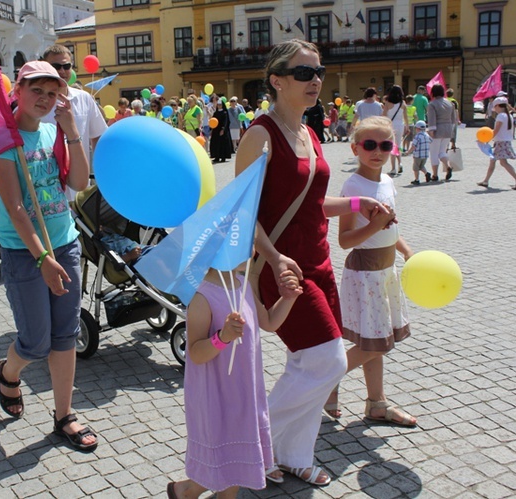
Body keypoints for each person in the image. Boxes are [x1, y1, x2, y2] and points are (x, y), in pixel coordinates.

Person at [235, 39, 392, 486]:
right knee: (327, 361)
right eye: (303, 73)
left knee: (307, 363)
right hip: (280, 268)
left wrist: (359, 202)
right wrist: (274, 255)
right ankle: (254, 442)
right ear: (277, 80)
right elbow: (242, 214)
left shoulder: (309, 133)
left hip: (318, 262)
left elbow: (312, 203)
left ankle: (293, 454)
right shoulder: (259, 134)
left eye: (319, 71)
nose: (315, 80)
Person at [0, 61, 97, 451]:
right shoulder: (1, 140)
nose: (45, 99)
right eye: (37, 90)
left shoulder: (54, 133)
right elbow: (16, 209)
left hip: (64, 244)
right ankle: (8, 370)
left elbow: (79, 183)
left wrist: (71, 134)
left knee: (65, 335)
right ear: (17, 91)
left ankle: (63, 414)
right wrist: (41, 260)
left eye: (52, 93)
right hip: (25, 253)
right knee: (34, 343)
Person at [167, 265, 303, 499]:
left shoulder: (244, 284)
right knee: (224, 458)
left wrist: (288, 298)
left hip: (245, 391)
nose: (251, 248)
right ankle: (187, 491)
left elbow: (269, 322)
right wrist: (222, 337)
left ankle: (186, 490)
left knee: (236, 465)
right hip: (216, 396)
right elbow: (197, 354)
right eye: (244, 240)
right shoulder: (202, 297)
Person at [323, 116, 416, 427]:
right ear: (355, 148)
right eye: (370, 145)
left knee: (373, 341)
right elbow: (344, 240)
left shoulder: (387, 181)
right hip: (365, 273)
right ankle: (326, 380)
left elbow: (391, 225)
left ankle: (376, 403)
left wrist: (405, 249)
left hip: (386, 271)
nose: (378, 151)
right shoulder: (353, 185)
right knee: (375, 342)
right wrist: (375, 225)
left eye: (385, 145)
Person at [42, 44, 107, 199]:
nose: (62, 71)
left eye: (66, 66)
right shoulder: (38, 103)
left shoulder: (84, 98)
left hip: (79, 189)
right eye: (56, 66)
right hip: (47, 190)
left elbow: (98, 136)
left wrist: (100, 172)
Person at [477, 96, 516, 189]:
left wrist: (486, 139)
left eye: (495, 107)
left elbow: (496, 130)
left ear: (498, 106)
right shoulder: (509, 115)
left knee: (503, 163)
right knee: (493, 161)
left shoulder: (501, 116)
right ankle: (486, 181)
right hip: (504, 141)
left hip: (501, 142)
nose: (495, 110)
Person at [427, 84, 457, 181]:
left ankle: (435, 175)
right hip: (448, 129)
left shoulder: (432, 104)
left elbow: (432, 119)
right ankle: (448, 165)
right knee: (442, 152)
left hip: (437, 130)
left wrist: (431, 130)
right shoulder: (450, 103)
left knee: (434, 153)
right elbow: (453, 119)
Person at [382, 85, 408, 175]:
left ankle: (393, 168)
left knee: (392, 146)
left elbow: (384, 115)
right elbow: (405, 116)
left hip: (391, 125)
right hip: (400, 125)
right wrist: (407, 126)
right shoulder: (403, 103)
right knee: (398, 145)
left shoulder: (388, 103)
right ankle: (400, 163)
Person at [209, 99, 232, 163]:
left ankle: (223, 157)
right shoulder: (215, 113)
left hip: (222, 131)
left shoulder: (224, 113)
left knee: (222, 144)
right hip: (216, 131)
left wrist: (223, 129)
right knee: (216, 144)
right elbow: (213, 121)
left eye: (220, 105)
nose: (219, 106)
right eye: (218, 105)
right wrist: (211, 129)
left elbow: (225, 122)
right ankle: (217, 157)